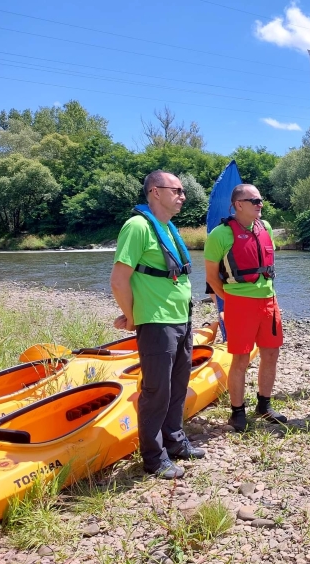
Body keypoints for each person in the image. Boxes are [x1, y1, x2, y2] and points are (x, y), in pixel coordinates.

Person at [110, 170, 205, 479]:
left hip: (181, 319)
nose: (182, 195)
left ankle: (175, 442)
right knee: (156, 391)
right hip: (156, 323)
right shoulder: (137, 227)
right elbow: (119, 280)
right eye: (176, 190)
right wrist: (133, 315)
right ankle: (154, 458)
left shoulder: (166, 227)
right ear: (155, 192)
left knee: (177, 386)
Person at [204, 183, 286, 432]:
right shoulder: (220, 235)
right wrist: (229, 300)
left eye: (261, 200)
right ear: (239, 205)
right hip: (239, 303)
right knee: (240, 358)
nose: (261, 204)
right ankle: (237, 412)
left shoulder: (266, 228)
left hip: (269, 301)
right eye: (255, 201)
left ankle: (264, 405)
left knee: (271, 353)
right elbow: (211, 277)